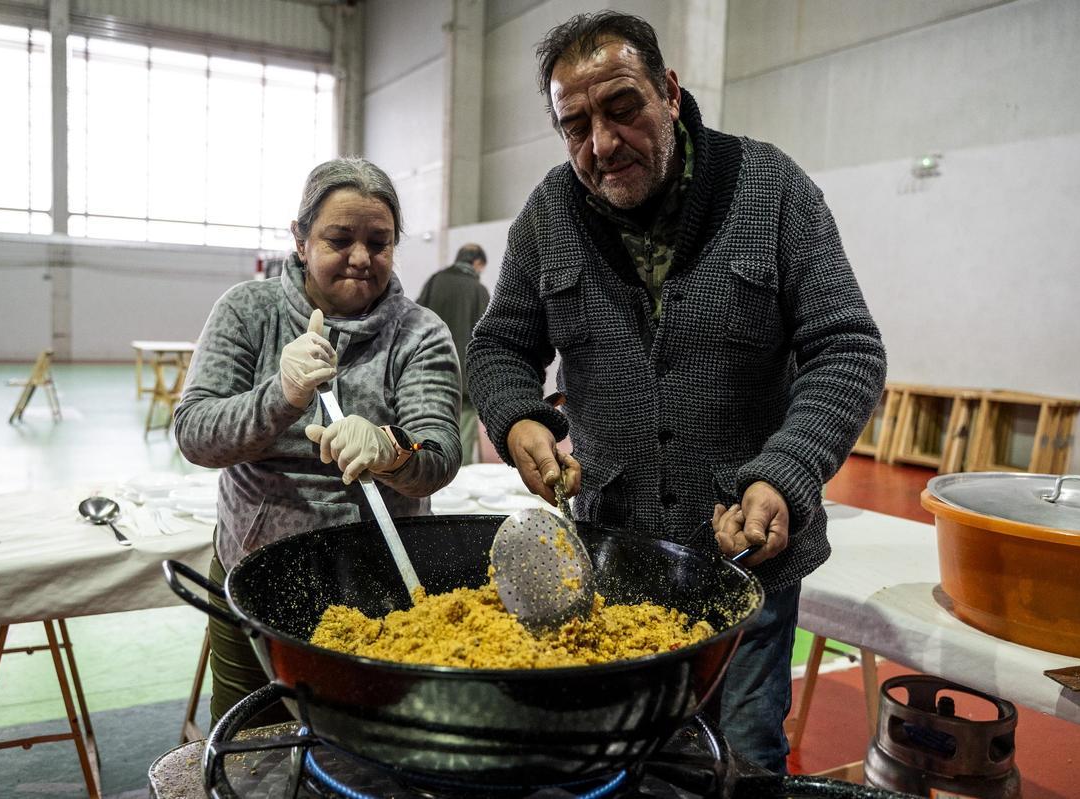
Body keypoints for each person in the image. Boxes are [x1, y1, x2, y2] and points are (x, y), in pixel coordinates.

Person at [466, 11, 886, 772]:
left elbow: (846, 348)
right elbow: (498, 345)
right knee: (616, 758)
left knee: (743, 758)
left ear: (667, 90)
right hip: (613, 563)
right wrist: (517, 418)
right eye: (575, 125)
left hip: (747, 569)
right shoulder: (547, 217)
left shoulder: (771, 190)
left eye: (623, 107)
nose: (601, 143)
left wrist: (782, 474)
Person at [174, 157, 462, 725]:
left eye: (379, 242)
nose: (361, 258)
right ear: (300, 240)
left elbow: (441, 453)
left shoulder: (419, 332)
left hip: (380, 580)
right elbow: (195, 434)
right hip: (254, 574)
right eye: (339, 239)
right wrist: (279, 395)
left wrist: (391, 450)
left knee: (367, 740)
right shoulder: (247, 312)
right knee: (253, 742)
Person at [417, 243, 491, 465]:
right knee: (463, 437)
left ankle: (432, 483)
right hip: (465, 381)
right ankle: (459, 482)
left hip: (430, 372)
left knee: (428, 428)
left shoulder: (435, 280)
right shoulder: (479, 291)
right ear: (477, 263)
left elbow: (415, 319)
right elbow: (487, 340)